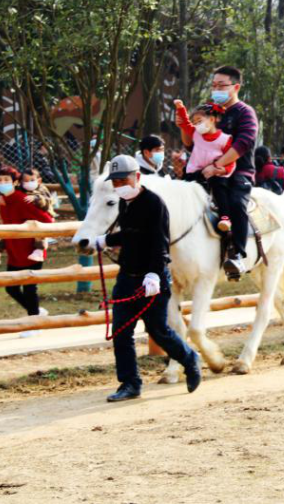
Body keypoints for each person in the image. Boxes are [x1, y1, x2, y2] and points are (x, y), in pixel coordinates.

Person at [90, 155, 201, 402]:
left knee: (158, 330)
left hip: (152, 278)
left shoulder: (154, 204)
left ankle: (189, 358)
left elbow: (159, 242)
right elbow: (131, 235)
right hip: (127, 277)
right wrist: (106, 240)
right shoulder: (124, 203)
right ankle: (130, 383)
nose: (119, 186)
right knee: (121, 333)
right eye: (115, 182)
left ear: (136, 177)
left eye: (123, 180)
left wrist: (154, 274)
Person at [180, 66, 259, 276]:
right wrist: (184, 128)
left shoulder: (245, 112)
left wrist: (217, 166)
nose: (216, 89)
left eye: (221, 85)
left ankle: (239, 256)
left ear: (236, 87)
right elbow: (191, 144)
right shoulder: (207, 111)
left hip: (236, 173)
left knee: (235, 204)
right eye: (214, 85)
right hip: (203, 171)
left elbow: (244, 143)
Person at [0, 167, 53, 333]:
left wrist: (33, 234)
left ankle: (34, 324)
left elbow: (47, 220)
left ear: (15, 182)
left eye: (7, 180)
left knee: (29, 288)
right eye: (0, 181)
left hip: (31, 251)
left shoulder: (22, 199)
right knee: (11, 288)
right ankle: (37, 312)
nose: (3, 183)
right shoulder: (3, 200)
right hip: (14, 250)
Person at [174, 100, 237, 234]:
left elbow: (231, 159)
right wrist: (180, 108)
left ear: (212, 119)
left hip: (214, 173)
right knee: (184, 191)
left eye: (199, 120)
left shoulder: (225, 139)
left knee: (220, 189)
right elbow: (185, 123)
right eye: (195, 122)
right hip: (194, 172)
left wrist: (225, 170)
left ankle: (225, 217)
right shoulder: (195, 134)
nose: (197, 125)